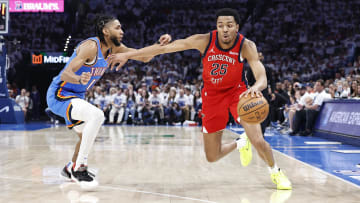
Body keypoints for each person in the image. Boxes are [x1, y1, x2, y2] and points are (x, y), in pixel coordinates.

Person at [108, 8, 292, 190]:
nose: (225, 29)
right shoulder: (204, 40)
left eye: (229, 25)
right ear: (216, 27)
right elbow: (164, 48)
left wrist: (255, 87)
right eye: (221, 25)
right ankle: (240, 143)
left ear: (236, 27)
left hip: (237, 94)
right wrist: (128, 55)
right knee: (212, 156)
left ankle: (276, 172)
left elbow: (262, 77)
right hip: (211, 97)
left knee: (258, 140)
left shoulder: (246, 45)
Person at [46, 15, 171, 189]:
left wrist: (161, 45)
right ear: (106, 31)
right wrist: (78, 79)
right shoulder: (90, 46)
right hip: (60, 93)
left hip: (77, 97)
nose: (122, 31)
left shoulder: (115, 48)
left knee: (84, 137)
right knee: (96, 116)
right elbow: (65, 73)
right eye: (118, 28)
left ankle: (69, 168)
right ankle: (80, 168)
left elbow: (143, 57)